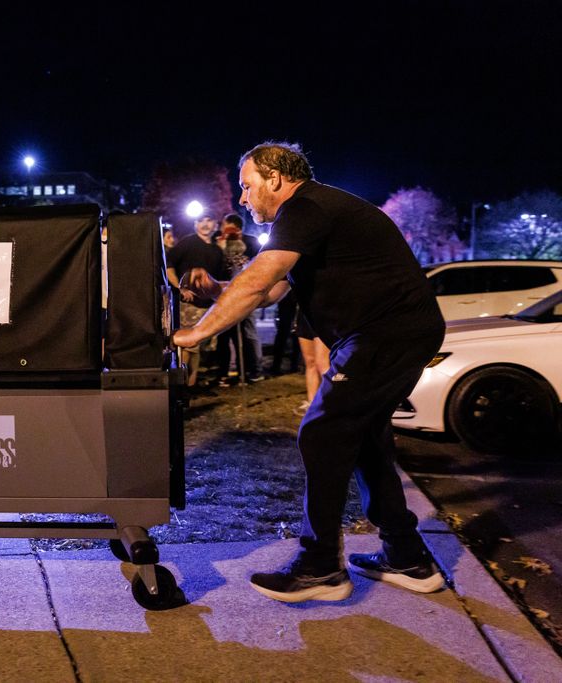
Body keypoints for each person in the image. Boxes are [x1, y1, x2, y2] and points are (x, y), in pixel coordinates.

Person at [174, 141, 446, 603]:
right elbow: (270, 289)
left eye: (247, 185)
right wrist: (218, 291)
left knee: (321, 432)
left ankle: (321, 567)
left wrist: (191, 336)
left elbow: (261, 278)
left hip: (385, 337)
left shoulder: (306, 206)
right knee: (364, 440)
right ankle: (408, 558)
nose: (242, 198)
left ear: (275, 179)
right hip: (389, 336)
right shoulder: (311, 214)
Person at [165, 210, 231, 390]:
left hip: (209, 305)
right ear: (195, 224)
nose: (205, 224)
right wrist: (179, 288)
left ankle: (191, 384)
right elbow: (168, 264)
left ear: (215, 225)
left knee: (200, 348)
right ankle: (183, 386)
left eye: (209, 220)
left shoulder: (218, 250)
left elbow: (220, 278)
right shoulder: (188, 242)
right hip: (188, 305)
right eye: (201, 220)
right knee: (189, 346)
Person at [215, 214, 264, 384]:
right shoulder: (220, 241)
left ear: (237, 228)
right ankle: (229, 369)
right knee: (225, 333)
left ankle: (255, 369)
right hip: (224, 293)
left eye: (227, 227)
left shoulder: (251, 242)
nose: (224, 230)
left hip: (245, 292)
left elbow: (258, 265)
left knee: (248, 332)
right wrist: (221, 247)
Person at [294, 307, 330, 415]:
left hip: (323, 313)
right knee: (310, 362)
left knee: (322, 363)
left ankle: (331, 403)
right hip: (304, 314)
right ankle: (311, 404)